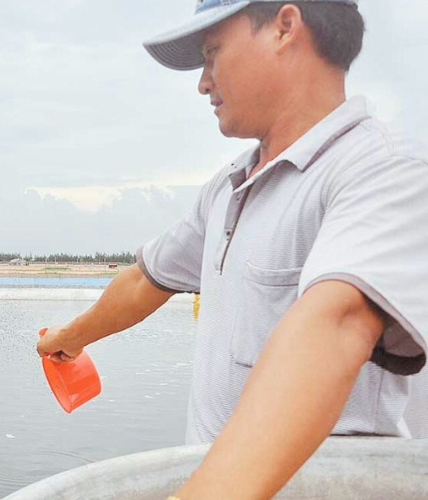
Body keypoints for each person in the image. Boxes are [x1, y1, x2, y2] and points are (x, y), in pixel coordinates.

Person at [36, 1, 428, 499]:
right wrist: (69, 338)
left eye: (212, 53)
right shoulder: (230, 188)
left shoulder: (387, 172)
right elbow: (146, 279)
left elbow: (337, 323)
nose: (203, 82)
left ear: (285, 27)